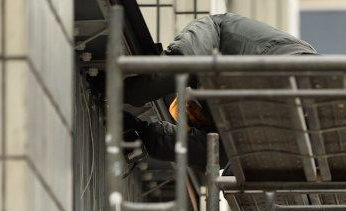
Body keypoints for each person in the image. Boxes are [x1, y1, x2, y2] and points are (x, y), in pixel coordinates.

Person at [109, 14, 318, 172]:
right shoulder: (229, 116)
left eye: (192, 115)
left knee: (178, 70)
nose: (197, 119)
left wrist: (134, 128)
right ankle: (125, 105)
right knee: (221, 153)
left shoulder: (223, 100)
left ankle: (115, 92)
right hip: (278, 76)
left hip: (220, 39)